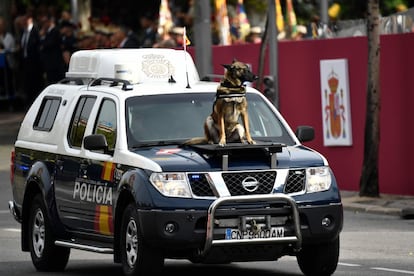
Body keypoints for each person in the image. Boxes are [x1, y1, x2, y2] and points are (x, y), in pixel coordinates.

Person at [20, 13, 44, 108]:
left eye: (24, 20)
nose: (22, 23)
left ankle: (36, 103)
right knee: (28, 82)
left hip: (35, 62)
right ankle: (29, 102)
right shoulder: (24, 32)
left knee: (35, 83)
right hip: (26, 61)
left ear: (29, 20)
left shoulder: (35, 31)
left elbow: (37, 46)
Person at [38, 13, 65, 85]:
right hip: (49, 62)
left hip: (54, 62)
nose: (43, 24)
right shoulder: (47, 32)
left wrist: (43, 38)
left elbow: (49, 44)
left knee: (55, 81)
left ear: (48, 22)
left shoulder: (55, 31)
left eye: (44, 22)